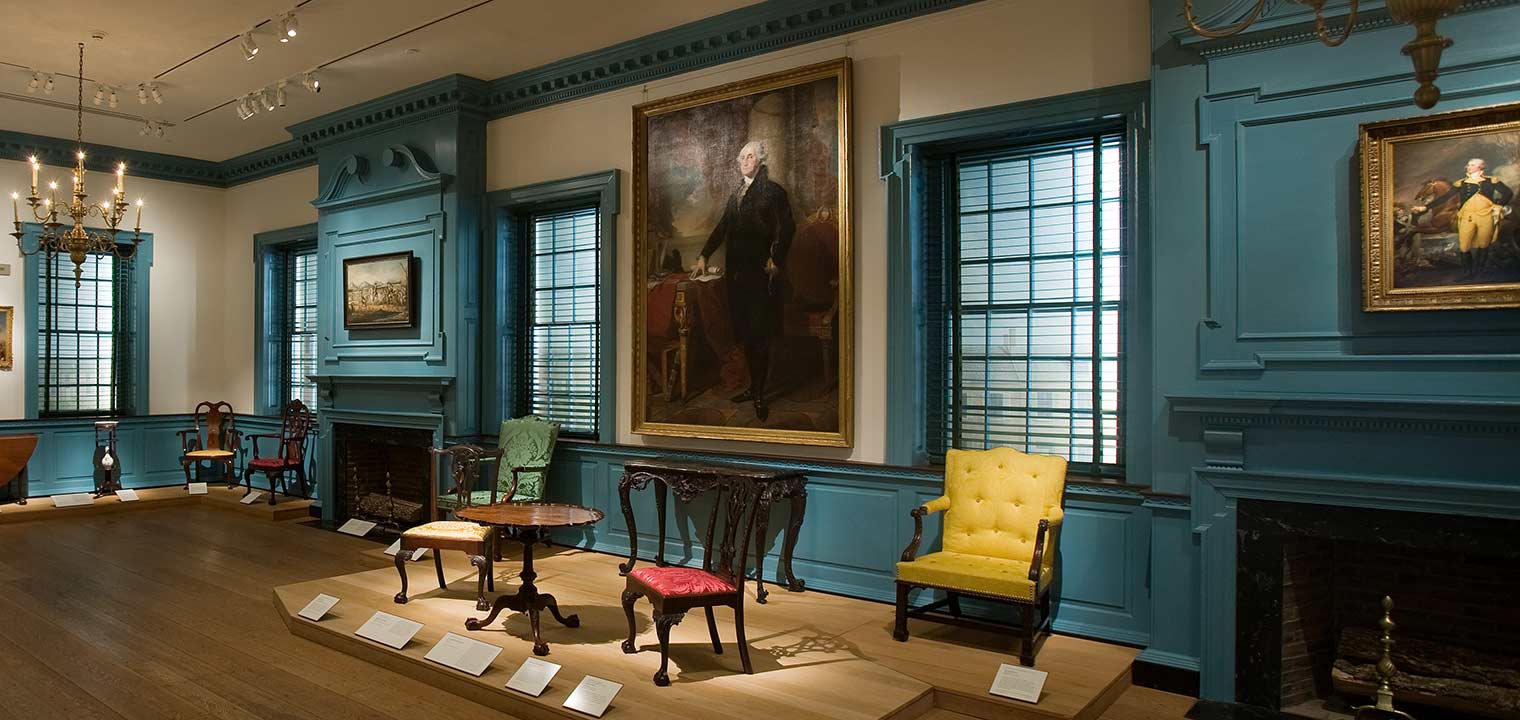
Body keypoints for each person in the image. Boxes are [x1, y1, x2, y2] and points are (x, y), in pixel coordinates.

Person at [694, 139, 794, 421]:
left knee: (759, 335)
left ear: (760, 161)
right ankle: (754, 387)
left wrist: (776, 258)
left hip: (760, 275)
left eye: (750, 156)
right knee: (746, 335)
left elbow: (786, 228)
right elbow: (723, 227)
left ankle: (760, 394)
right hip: (737, 276)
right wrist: (704, 254)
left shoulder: (773, 192)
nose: (744, 161)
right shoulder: (737, 193)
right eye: (741, 157)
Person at [1412, 157, 1514, 279]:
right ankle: (1468, 273)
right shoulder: (1461, 183)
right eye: (1468, 165)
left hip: (1485, 216)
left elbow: (1508, 193)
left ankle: (1479, 273)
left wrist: (1498, 205)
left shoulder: (1492, 181)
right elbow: (1445, 198)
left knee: (1483, 245)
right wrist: (1426, 207)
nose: (1468, 167)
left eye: (1471, 165)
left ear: (1480, 167)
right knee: (1464, 246)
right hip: (1466, 216)